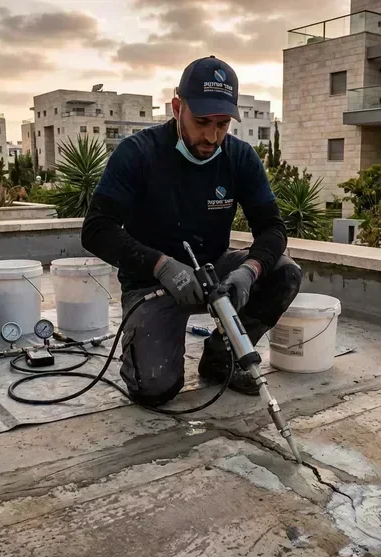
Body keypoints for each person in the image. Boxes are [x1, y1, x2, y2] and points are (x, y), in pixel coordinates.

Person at [80, 56, 302, 407]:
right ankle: (148, 350)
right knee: (155, 390)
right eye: (201, 122)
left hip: (214, 274)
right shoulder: (137, 154)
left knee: (284, 271)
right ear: (176, 107)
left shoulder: (240, 158)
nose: (212, 136)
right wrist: (163, 267)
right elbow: (96, 230)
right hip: (150, 283)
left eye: (223, 124)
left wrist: (249, 270)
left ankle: (219, 357)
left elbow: (272, 228)